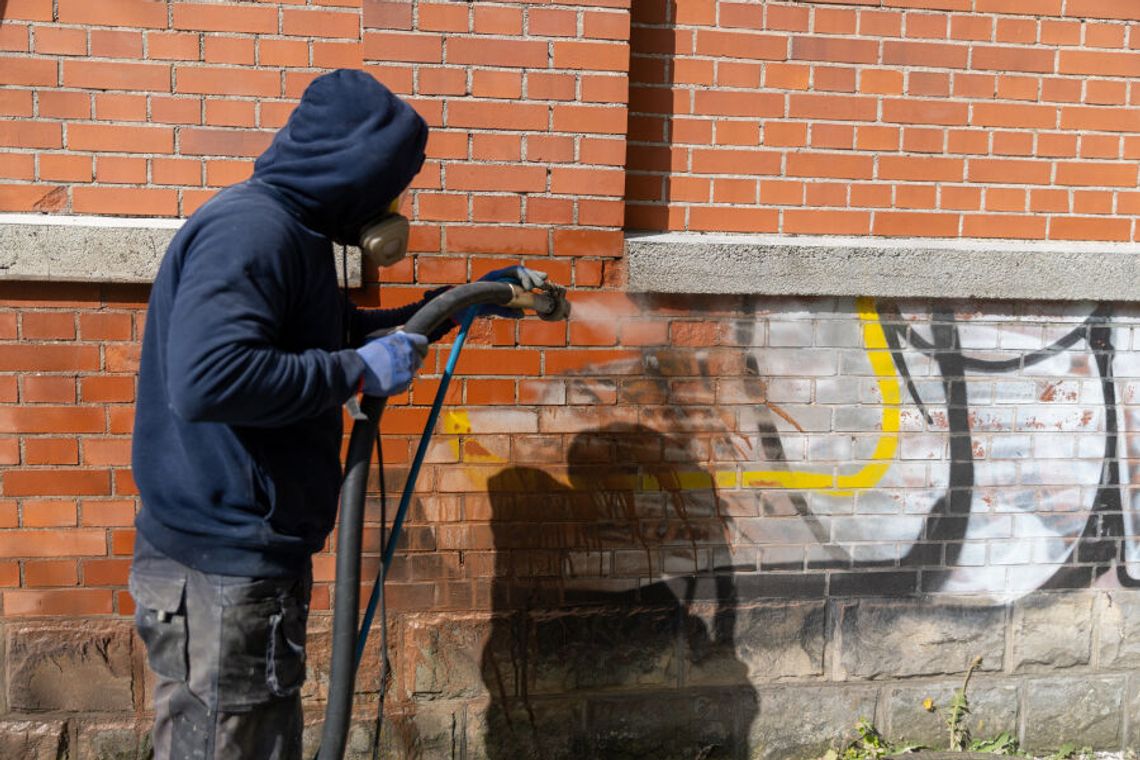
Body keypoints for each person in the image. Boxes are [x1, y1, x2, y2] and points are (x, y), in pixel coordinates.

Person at [128, 69, 544, 760]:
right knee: (225, 745)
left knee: (254, 739)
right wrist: (356, 371)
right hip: (219, 568)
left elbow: (340, 334)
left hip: (243, 558)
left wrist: (457, 302)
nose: (393, 201)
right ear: (357, 171)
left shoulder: (294, 233)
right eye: (391, 182)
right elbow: (209, 379)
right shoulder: (253, 231)